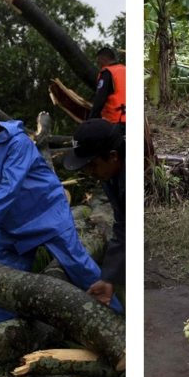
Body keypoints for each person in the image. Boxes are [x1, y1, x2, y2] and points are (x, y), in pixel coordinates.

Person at [0, 103, 122, 325]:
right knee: (0, 283)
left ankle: (117, 323)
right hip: (12, 226)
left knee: (80, 268)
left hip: (47, 214)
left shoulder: (18, 143)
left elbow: (9, 188)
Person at [62, 118, 125, 305]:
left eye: (92, 165)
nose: (90, 172)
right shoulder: (110, 175)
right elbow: (123, 225)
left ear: (113, 156)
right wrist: (108, 278)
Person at [89, 47, 126, 130]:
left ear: (102, 60)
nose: (99, 66)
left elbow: (99, 100)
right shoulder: (125, 70)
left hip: (115, 122)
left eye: (98, 63)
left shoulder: (107, 73)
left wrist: (90, 121)